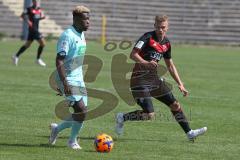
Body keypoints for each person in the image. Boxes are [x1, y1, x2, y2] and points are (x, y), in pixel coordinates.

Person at [115, 15, 207, 141]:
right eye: (158, 27)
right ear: (154, 26)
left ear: (167, 27)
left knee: (175, 105)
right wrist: (145, 63)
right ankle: (122, 117)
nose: (160, 30)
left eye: (163, 27)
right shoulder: (147, 37)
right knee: (149, 115)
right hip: (139, 81)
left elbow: (170, 65)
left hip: (154, 80)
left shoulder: (167, 43)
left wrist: (180, 84)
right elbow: (133, 54)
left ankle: (189, 132)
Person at [48, 6, 90, 149]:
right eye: (85, 19)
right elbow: (59, 60)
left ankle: (56, 129)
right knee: (82, 111)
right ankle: (72, 141)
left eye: (89, 18)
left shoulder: (81, 34)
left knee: (81, 114)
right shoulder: (68, 36)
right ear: (76, 20)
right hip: (67, 79)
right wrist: (64, 83)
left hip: (78, 78)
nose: (88, 22)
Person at [12, 0, 46, 66]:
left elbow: (37, 19)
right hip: (33, 30)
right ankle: (38, 59)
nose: (36, 2)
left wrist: (42, 18)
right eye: (35, 1)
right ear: (33, 2)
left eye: (37, 1)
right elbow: (22, 16)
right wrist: (28, 21)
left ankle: (16, 56)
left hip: (34, 30)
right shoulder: (29, 9)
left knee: (27, 45)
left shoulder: (39, 10)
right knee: (43, 43)